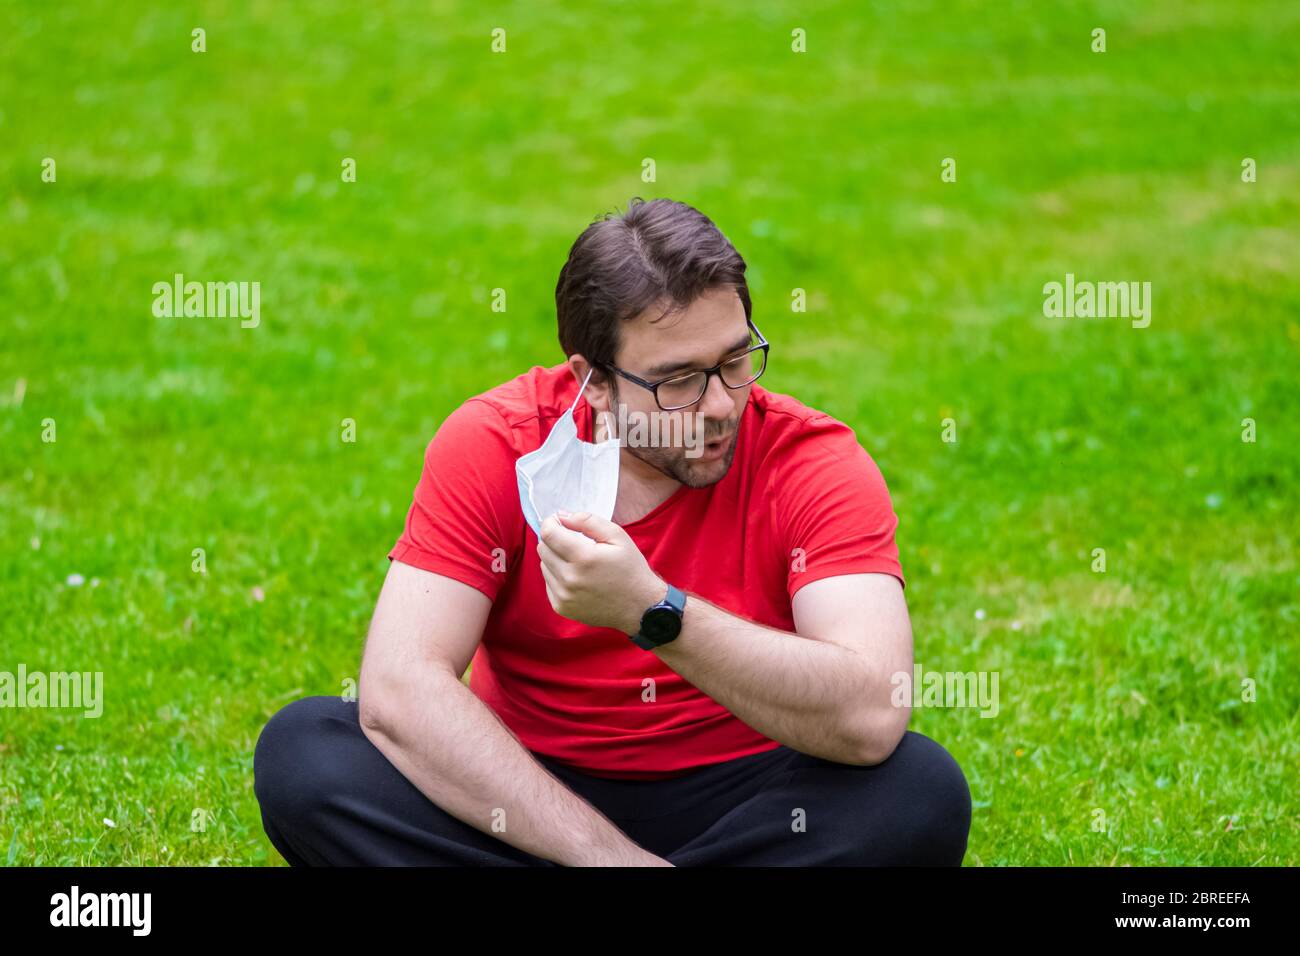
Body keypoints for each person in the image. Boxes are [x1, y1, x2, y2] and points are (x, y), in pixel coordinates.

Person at [253, 197, 971, 866]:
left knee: (917, 791)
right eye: (679, 380)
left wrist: (652, 611)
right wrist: (609, 860)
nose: (719, 404)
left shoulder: (809, 460)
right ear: (593, 381)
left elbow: (873, 710)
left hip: (750, 791)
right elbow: (401, 685)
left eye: (734, 359)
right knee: (307, 755)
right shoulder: (500, 442)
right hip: (525, 790)